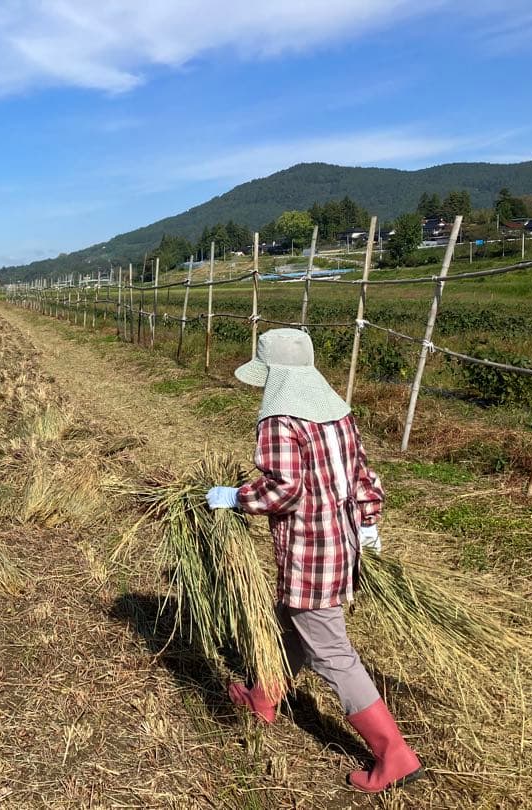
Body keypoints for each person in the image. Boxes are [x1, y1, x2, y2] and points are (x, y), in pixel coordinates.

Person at [206, 328, 423, 794]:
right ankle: (262, 697)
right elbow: (364, 477)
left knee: (332, 652)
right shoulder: (338, 414)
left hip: (310, 551)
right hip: (341, 542)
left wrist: (234, 497)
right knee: (292, 624)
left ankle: (394, 754)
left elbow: (282, 489)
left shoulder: (279, 420)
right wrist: (367, 527)